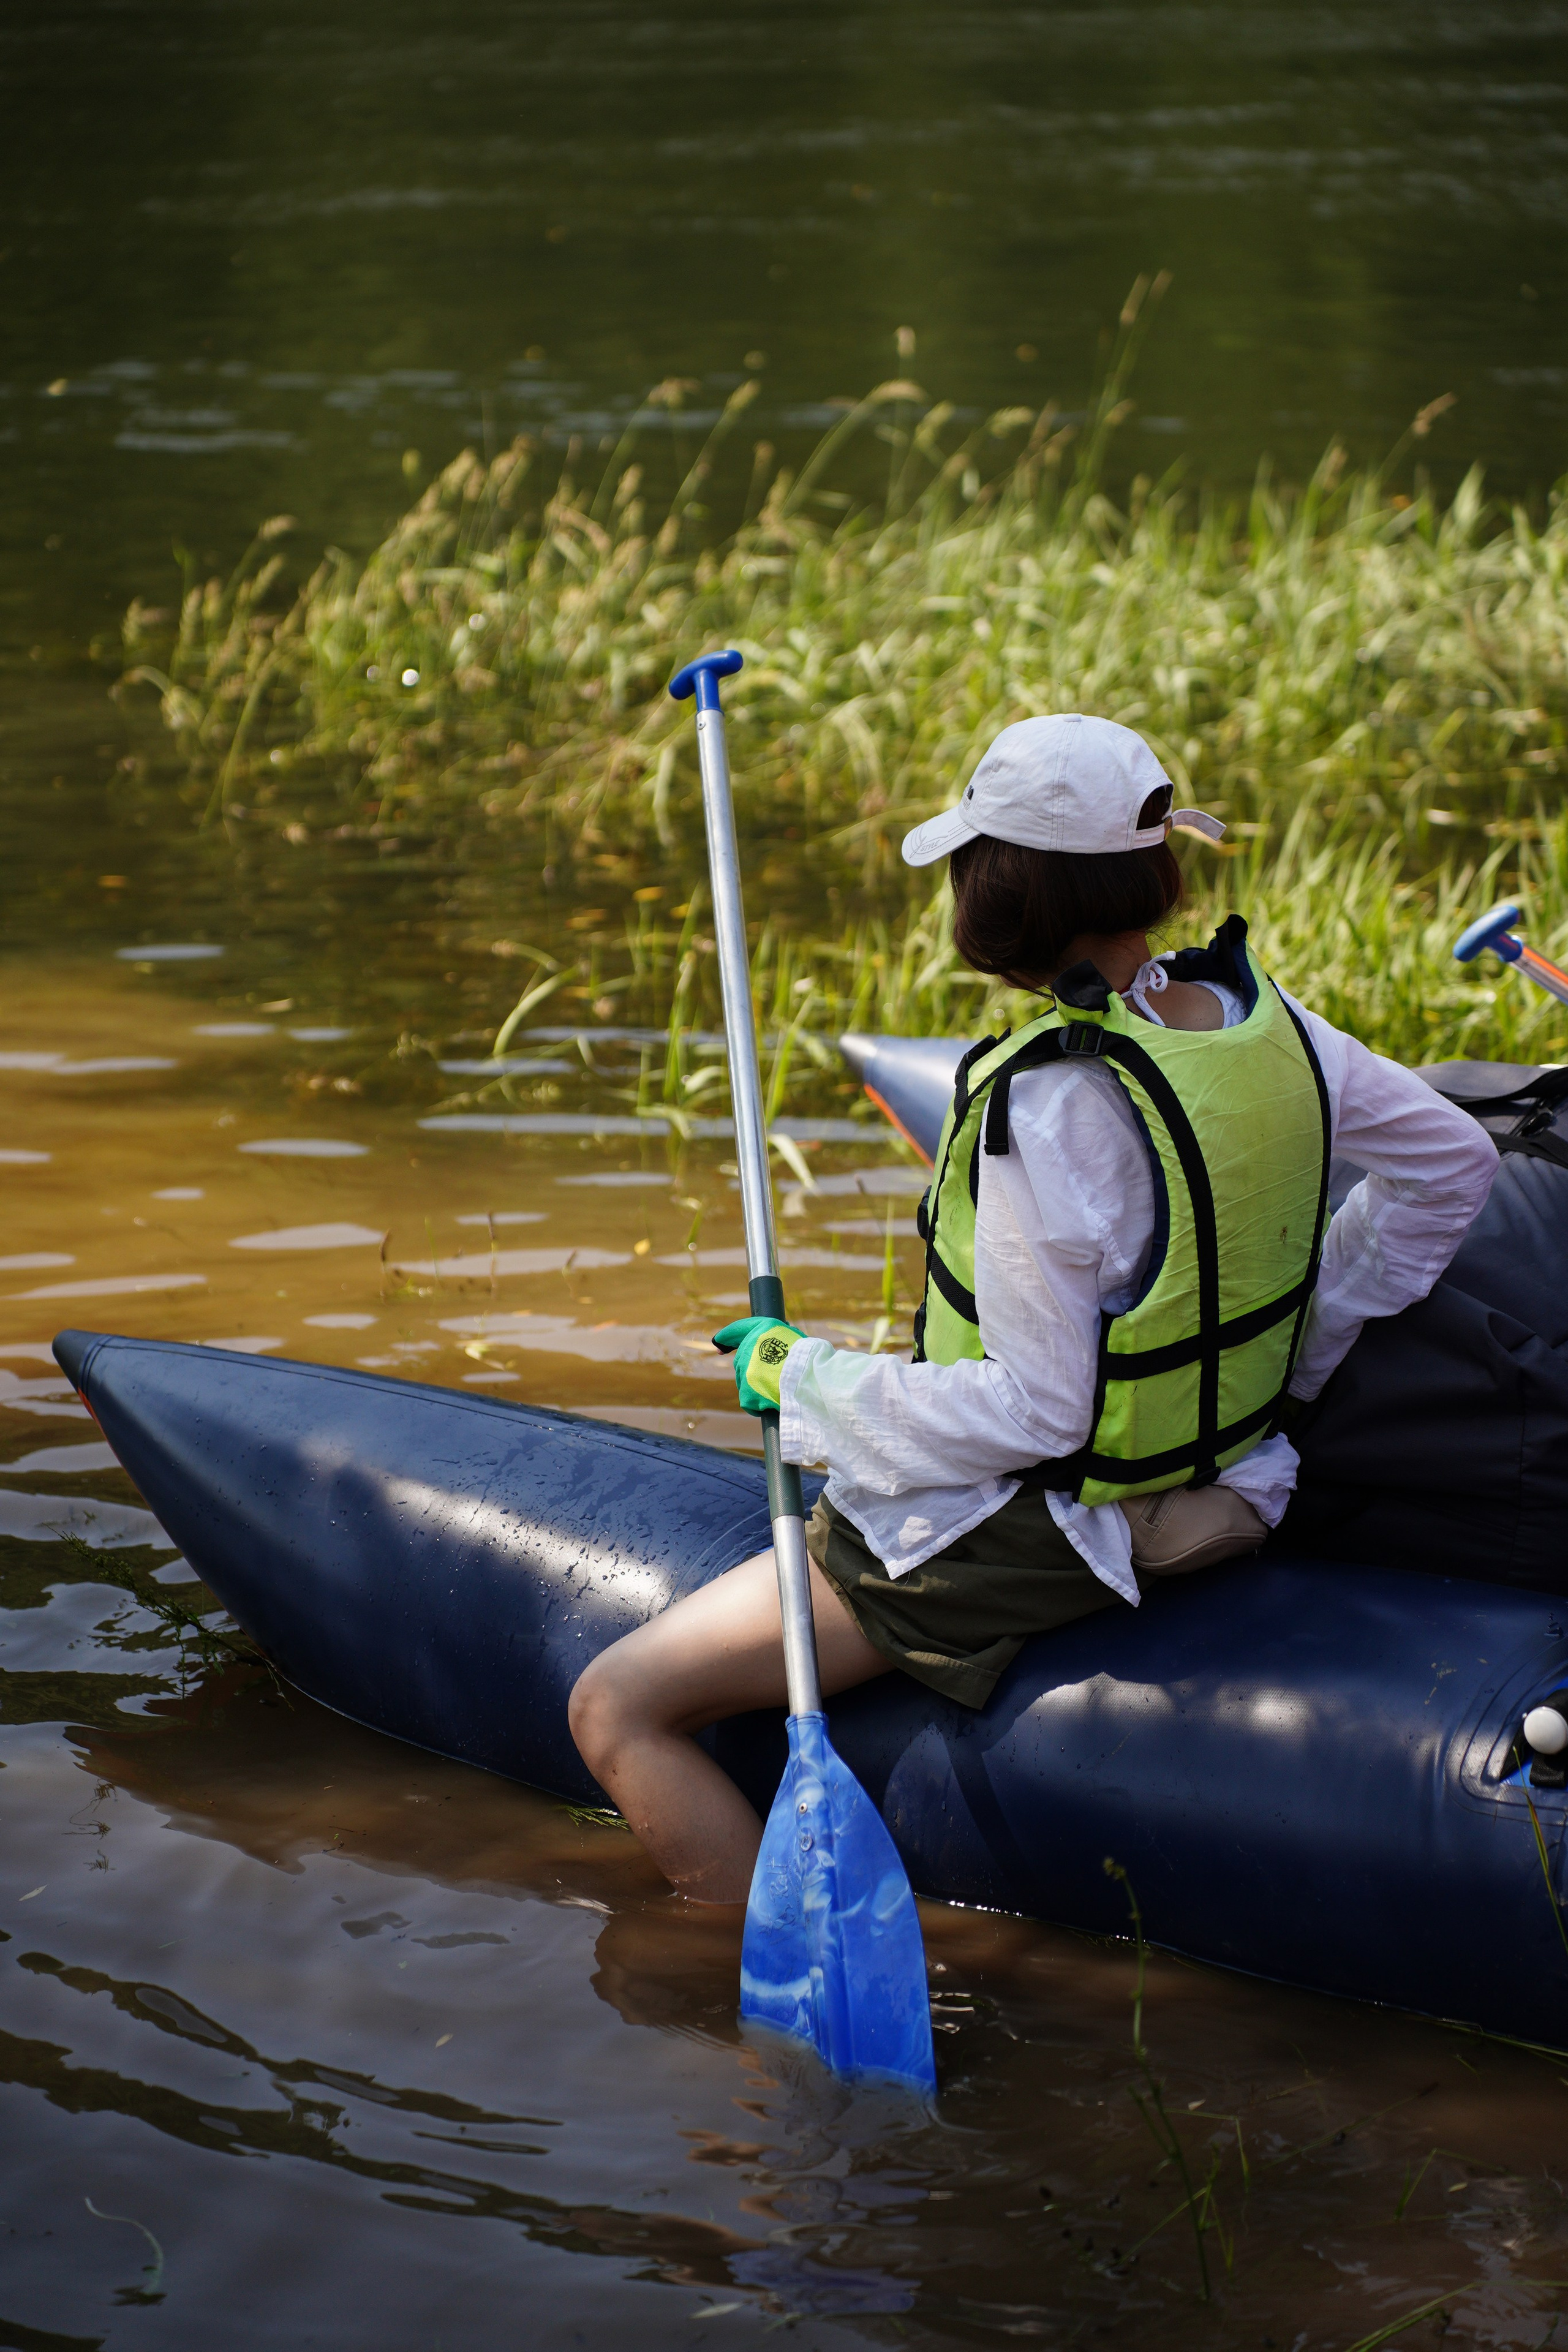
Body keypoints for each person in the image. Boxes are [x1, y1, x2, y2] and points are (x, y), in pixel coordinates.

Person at [568, 714, 1499, 1903]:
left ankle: (759, 2015)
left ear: (996, 894)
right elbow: (1448, 1161)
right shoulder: (1269, 1027)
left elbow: (1035, 1412)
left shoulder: (1047, 1110)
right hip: (1237, 1480)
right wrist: (1302, 1353)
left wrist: (801, 1379)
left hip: (1052, 1529)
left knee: (614, 1705)